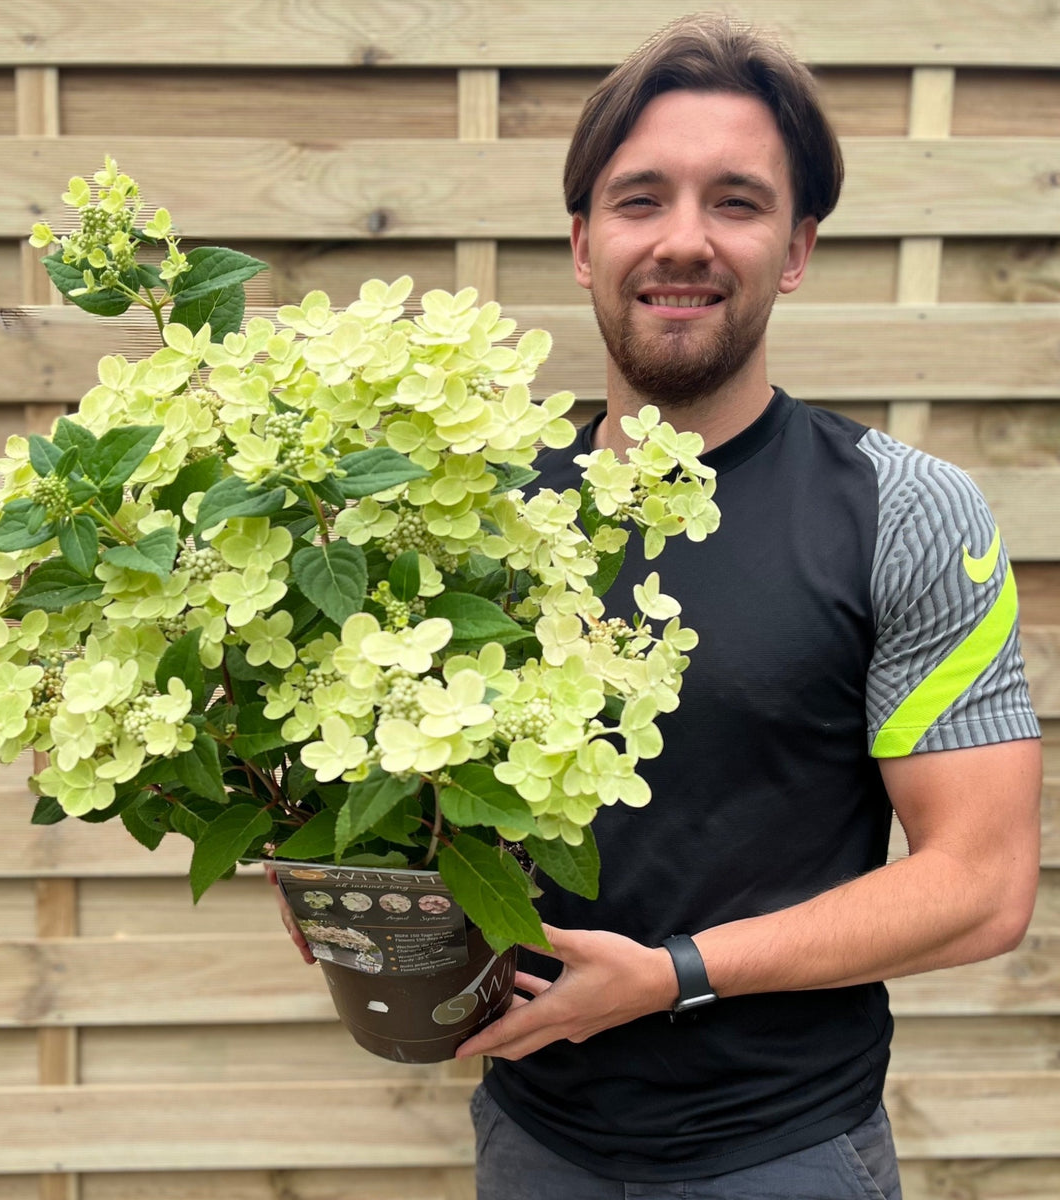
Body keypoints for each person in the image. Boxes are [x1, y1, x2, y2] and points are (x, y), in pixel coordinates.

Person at [446, 14, 1043, 1200]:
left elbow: (982, 885)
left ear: (797, 245)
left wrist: (673, 974)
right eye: (639, 200)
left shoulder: (907, 514)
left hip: (786, 1153)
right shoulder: (477, 515)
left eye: (735, 201)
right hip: (530, 1138)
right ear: (580, 242)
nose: (683, 241)